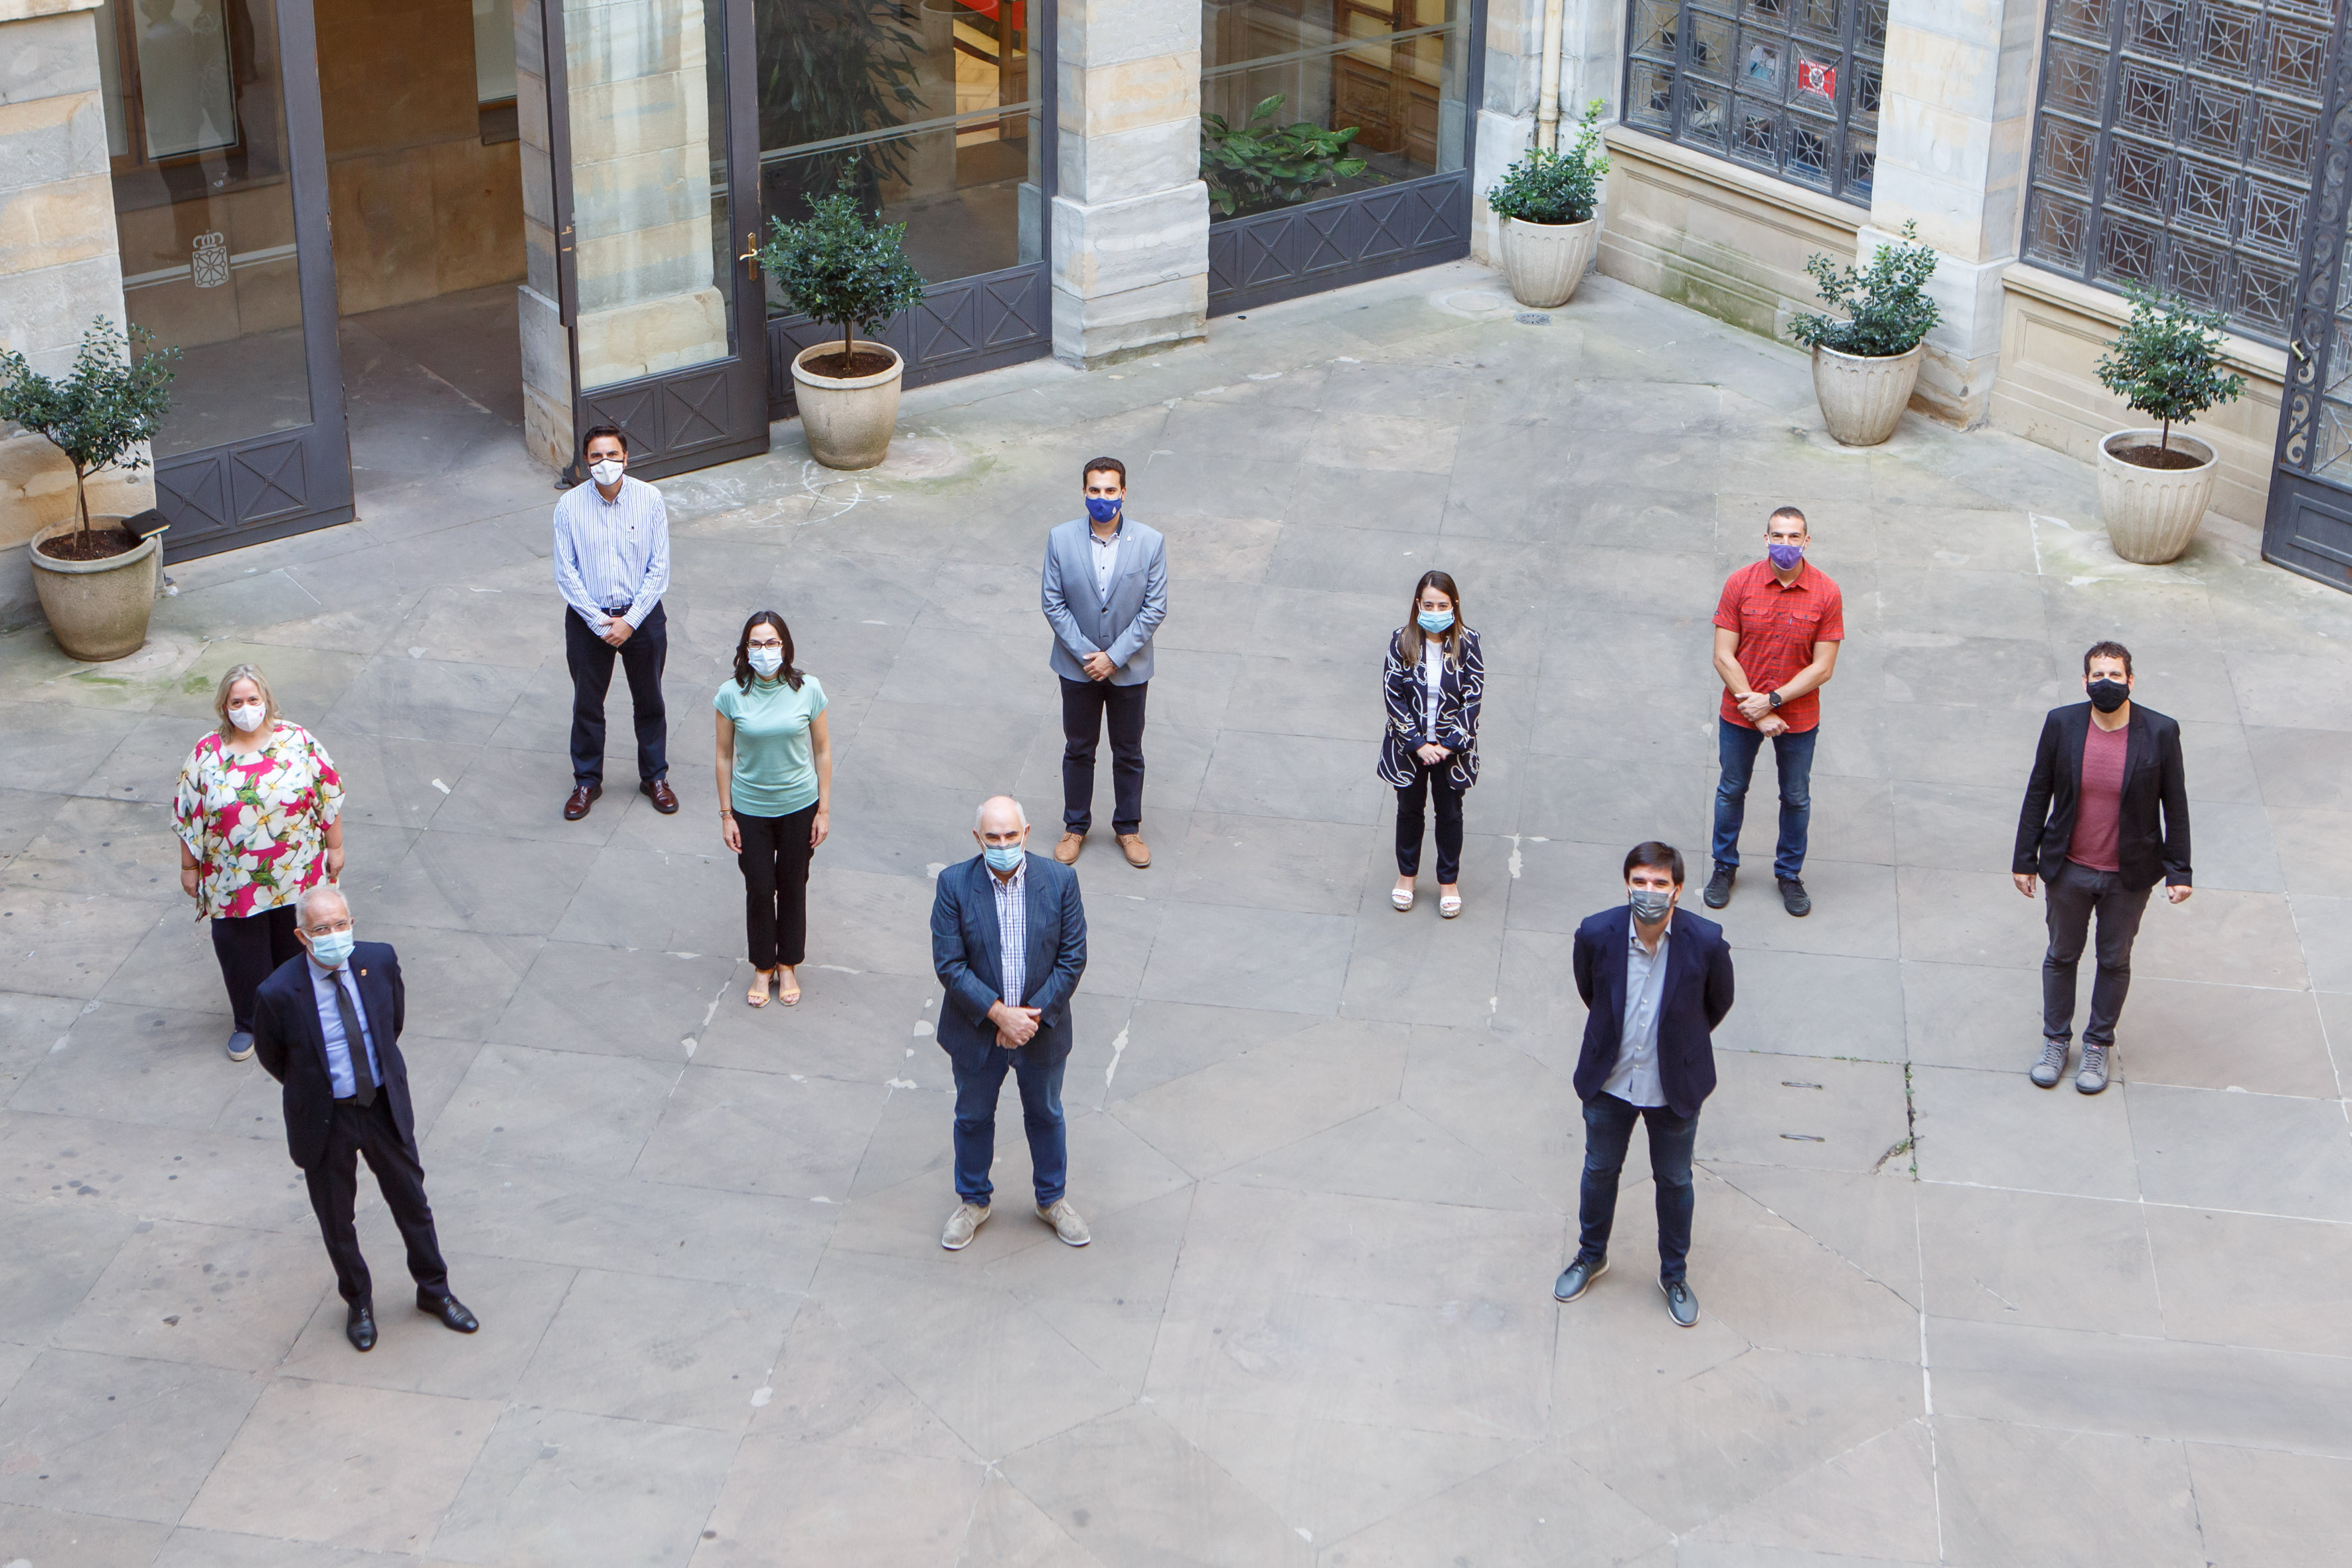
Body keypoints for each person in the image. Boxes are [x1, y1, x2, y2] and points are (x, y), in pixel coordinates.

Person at [252, 884, 477, 1352]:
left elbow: (389, 1025)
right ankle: (359, 1303)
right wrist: (319, 1090)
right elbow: (275, 1059)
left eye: (340, 925)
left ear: (351, 923)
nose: (334, 935)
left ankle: (434, 1291)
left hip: (380, 1107)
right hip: (325, 1118)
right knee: (337, 1220)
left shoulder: (380, 962)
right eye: (322, 929)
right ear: (301, 935)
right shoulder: (278, 993)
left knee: (412, 1203)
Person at [1555, 842, 1735, 1328]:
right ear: (1626, 884)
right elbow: (1590, 992)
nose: (1649, 892)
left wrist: (1681, 1043)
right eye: (1640, 881)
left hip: (1672, 1086)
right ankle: (1590, 1256)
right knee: (1598, 1171)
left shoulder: (1705, 941)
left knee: (1674, 1181)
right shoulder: (1596, 933)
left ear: (1677, 889)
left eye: (1659, 883)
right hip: (1609, 1081)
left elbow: (1717, 1003)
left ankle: (1673, 1275)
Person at [2012, 641, 2192, 1095]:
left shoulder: (2159, 732)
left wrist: (2179, 871)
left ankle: (2096, 1045)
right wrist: (2024, 858)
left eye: (2115, 675)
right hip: (2068, 868)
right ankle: (2055, 1040)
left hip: (2127, 876)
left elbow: (2175, 803)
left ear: (2130, 681)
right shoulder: (2062, 724)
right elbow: (2039, 791)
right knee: (2061, 955)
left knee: (2113, 960)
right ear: (2084, 681)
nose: (2106, 683)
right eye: (2098, 675)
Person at [929, 795, 1090, 1251]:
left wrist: (1027, 1020)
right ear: (978, 838)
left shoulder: (1059, 881)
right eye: (993, 838)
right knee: (973, 1116)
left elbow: (1072, 957)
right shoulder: (954, 884)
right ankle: (973, 1201)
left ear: (1027, 833)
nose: (1003, 845)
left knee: (1045, 1114)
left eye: (1011, 836)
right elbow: (949, 963)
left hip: (1042, 1030)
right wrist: (999, 1014)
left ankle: (1051, 1199)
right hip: (977, 1030)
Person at [173, 665, 346, 1061]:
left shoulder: (297, 741)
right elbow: (187, 814)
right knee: (240, 951)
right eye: (237, 701)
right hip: (232, 880)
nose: (246, 708)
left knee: (295, 945)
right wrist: (189, 867)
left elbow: (328, 795)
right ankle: (249, 1024)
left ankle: (298, 1017)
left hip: (296, 870)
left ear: (266, 701)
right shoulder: (206, 754)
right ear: (224, 706)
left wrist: (335, 848)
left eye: (253, 700)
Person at [1707, 505, 1843, 917]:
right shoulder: (1740, 583)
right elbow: (1722, 656)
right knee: (1732, 789)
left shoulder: (1827, 592)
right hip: (1741, 713)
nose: (1786, 544)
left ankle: (1789, 875)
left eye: (1794, 536)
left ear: (1807, 541)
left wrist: (1774, 700)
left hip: (1798, 719)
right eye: (1778, 536)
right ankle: (1723, 867)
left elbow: (1823, 667)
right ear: (1766, 539)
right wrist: (1757, 709)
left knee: (1796, 798)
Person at [1040, 456, 1168, 868]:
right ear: (1084, 493)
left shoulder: (1150, 542)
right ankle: (1075, 827)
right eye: (1094, 490)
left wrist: (1113, 658)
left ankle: (1128, 828)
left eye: (1110, 491)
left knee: (1128, 750)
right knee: (1079, 748)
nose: (1102, 498)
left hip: (1128, 669)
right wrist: (1087, 656)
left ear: (1123, 493)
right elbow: (1053, 602)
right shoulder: (1061, 539)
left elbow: (1155, 607)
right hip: (1078, 668)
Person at [553, 424, 674, 821]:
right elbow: (566, 572)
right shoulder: (569, 507)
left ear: (627, 457)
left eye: (612, 455)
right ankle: (587, 781)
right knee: (587, 704)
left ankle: (654, 776)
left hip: (642, 618)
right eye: (595, 457)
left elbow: (659, 569)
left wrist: (631, 621)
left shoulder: (650, 499)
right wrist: (597, 620)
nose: (604, 463)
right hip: (590, 621)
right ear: (585, 462)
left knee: (650, 700)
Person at [716, 612, 832, 1008]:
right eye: (756, 644)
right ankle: (763, 967)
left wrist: (825, 811)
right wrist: (726, 814)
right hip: (750, 808)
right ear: (745, 650)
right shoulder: (731, 694)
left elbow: (822, 750)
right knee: (761, 888)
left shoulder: (809, 689)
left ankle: (788, 965)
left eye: (771, 643)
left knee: (793, 885)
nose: (764, 651)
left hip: (800, 805)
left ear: (785, 646)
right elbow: (723, 756)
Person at [1379, 570, 1484, 917]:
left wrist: (1449, 743)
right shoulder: (1401, 641)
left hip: (1450, 753)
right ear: (1417, 605)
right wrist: (1416, 743)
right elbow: (1393, 694)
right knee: (1409, 811)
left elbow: (1473, 698)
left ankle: (1448, 883)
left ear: (1453, 605)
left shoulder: (1468, 643)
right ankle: (1406, 876)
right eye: (1429, 604)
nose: (1435, 610)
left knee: (1450, 814)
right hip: (1411, 750)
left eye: (1442, 604)